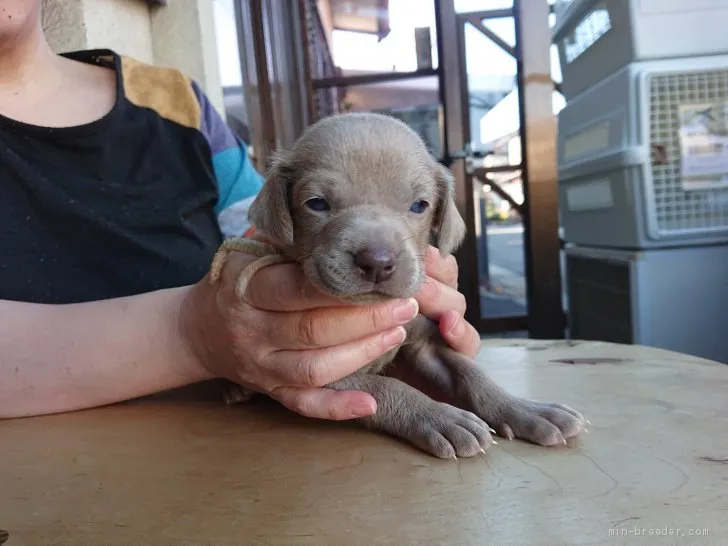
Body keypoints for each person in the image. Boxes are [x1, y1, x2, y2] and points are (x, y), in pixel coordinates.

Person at [0, 0, 481, 420]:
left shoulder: (177, 106)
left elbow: (260, 241)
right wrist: (192, 336)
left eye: (416, 206)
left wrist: (375, 336)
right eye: (320, 200)